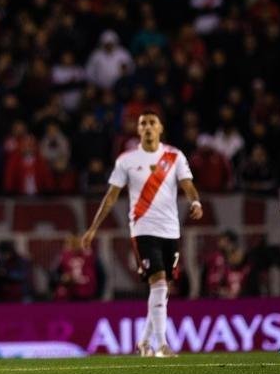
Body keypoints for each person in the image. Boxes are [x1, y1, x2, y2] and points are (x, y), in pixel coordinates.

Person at [80, 109, 203, 357]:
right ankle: (161, 345)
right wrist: (93, 228)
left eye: (152, 122)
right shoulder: (126, 160)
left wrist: (196, 203)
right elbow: (111, 196)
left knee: (162, 288)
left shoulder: (174, 156)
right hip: (143, 229)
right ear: (138, 130)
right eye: (142, 123)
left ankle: (144, 342)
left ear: (160, 128)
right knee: (157, 282)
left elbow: (187, 185)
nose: (147, 126)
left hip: (170, 230)